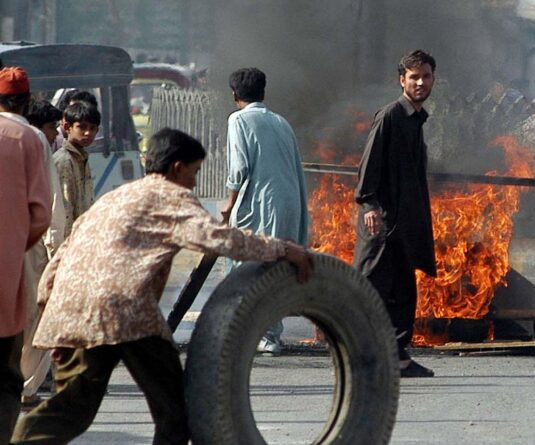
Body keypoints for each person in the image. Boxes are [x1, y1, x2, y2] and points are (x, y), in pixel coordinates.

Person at [12, 128, 313, 444]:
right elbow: (218, 238)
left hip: (72, 311)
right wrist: (282, 248)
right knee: (175, 409)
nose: (194, 183)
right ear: (178, 168)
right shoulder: (172, 197)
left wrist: (55, 322)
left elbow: (61, 258)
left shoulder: (113, 198)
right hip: (127, 313)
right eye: (194, 172)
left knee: (70, 410)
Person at [354, 50, 438, 378]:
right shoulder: (390, 115)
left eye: (426, 76)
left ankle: (398, 358)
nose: (420, 82)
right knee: (371, 288)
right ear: (402, 80)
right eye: (414, 77)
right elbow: (368, 165)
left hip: (405, 224)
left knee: (403, 291)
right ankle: (360, 357)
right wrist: (369, 205)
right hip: (382, 221)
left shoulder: (416, 119)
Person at [221, 67, 309, 355]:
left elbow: (239, 168)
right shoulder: (281, 122)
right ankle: (269, 334)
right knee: (276, 267)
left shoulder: (238, 120)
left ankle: (259, 335)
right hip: (289, 203)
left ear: (234, 94)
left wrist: (229, 204)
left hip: (261, 203)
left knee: (250, 265)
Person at [0, 66, 53, 444]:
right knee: (6, 372)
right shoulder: (29, 138)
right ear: (27, 101)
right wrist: (16, 247)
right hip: (8, 275)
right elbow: (41, 214)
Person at [54, 100, 100, 238]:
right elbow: (64, 209)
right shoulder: (64, 160)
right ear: (67, 127)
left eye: (92, 128)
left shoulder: (81, 158)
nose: (87, 133)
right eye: (82, 127)